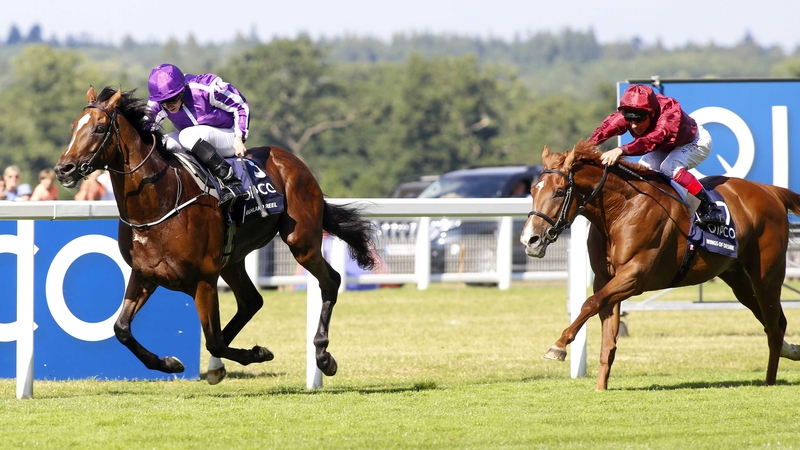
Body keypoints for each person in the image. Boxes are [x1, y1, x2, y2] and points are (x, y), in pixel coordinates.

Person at [592, 84, 724, 225]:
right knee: (642, 171)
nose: (634, 125)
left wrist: (620, 150)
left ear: (652, 113)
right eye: (629, 120)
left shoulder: (668, 114)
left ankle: (711, 208)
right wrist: (587, 146)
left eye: (639, 119)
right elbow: (605, 129)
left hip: (695, 141)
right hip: (664, 146)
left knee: (669, 167)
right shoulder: (633, 111)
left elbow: (650, 141)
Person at [146, 63, 248, 208]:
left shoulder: (205, 88)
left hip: (227, 136)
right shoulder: (159, 102)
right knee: (166, 143)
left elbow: (240, 105)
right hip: (195, 141)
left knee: (186, 136)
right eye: (163, 102)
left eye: (172, 99)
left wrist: (239, 137)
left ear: (182, 91)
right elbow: (144, 129)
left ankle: (231, 181)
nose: (168, 106)